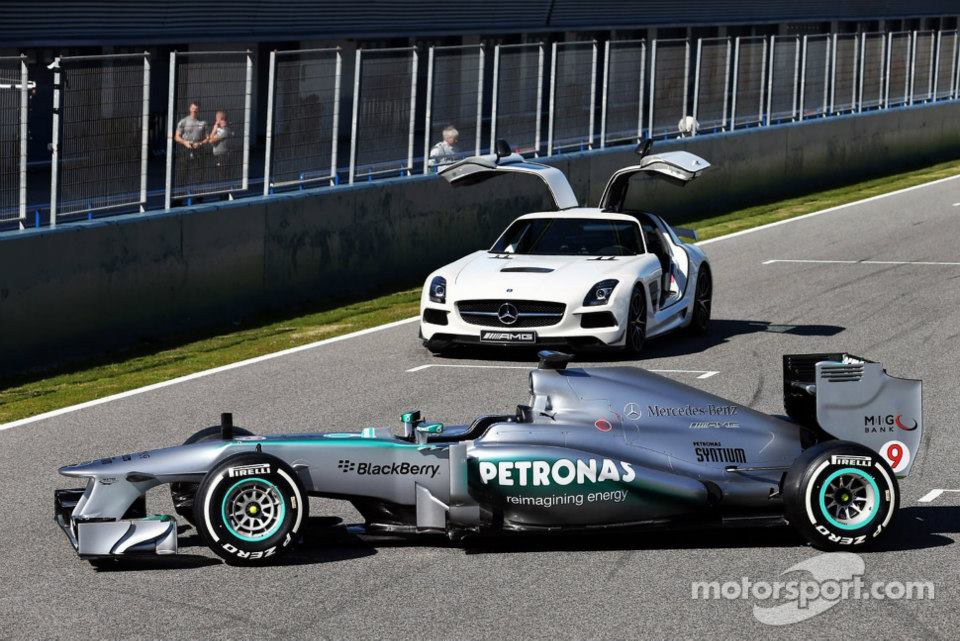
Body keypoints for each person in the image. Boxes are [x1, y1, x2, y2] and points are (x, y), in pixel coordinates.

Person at [174, 101, 208, 191]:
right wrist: (185, 142)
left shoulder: (203, 122)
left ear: (199, 110)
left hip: (198, 149)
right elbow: (176, 137)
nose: (194, 111)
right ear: (190, 109)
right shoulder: (183, 121)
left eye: (196, 109)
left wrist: (200, 143)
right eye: (193, 109)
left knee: (199, 172)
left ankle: (199, 195)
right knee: (183, 172)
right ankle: (179, 197)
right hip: (185, 149)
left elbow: (207, 138)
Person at [205, 110, 232, 185]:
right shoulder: (220, 130)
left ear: (221, 119)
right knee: (219, 173)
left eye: (217, 118)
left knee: (223, 174)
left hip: (222, 155)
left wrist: (214, 130)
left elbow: (210, 140)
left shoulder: (224, 131)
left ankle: (224, 191)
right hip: (218, 155)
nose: (216, 120)